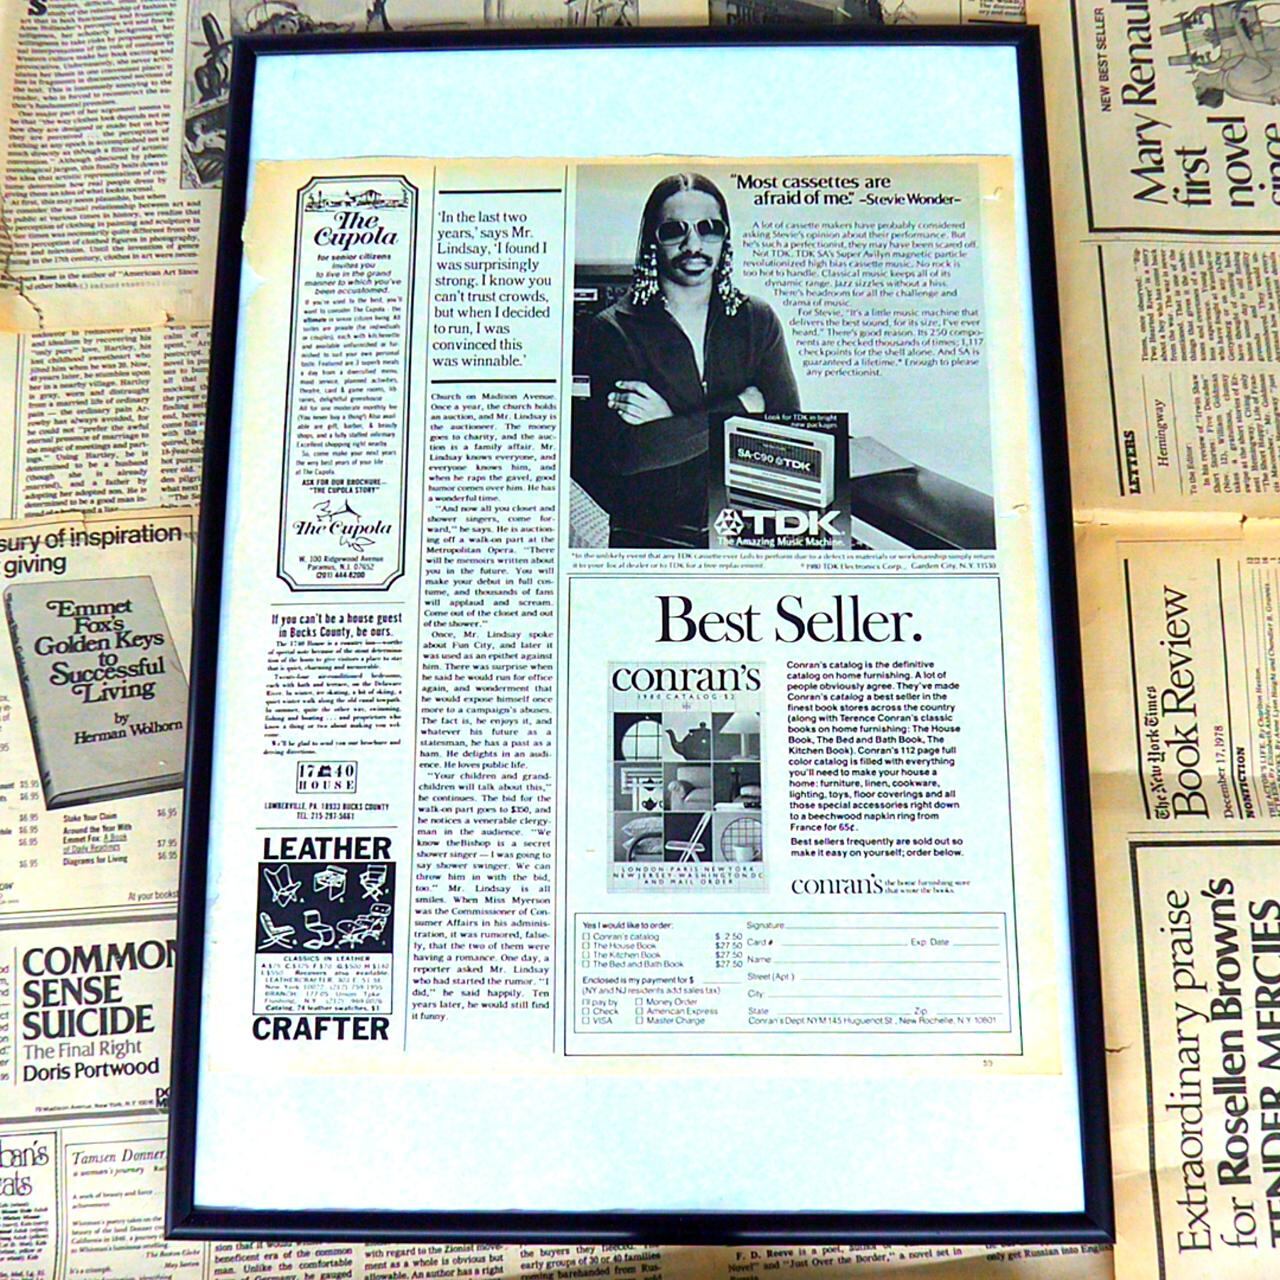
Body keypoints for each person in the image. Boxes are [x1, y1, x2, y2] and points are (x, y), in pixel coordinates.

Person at [574, 172, 799, 548]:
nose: (693, 245)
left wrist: (671, 424)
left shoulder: (757, 320)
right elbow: (627, 457)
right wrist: (741, 408)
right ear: (652, 241)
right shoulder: (612, 329)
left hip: (745, 529)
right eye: (674, 231)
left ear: (725, 239)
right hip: (650, 538)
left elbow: (792, 440)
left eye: (709, 229)